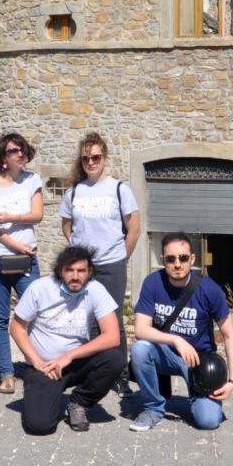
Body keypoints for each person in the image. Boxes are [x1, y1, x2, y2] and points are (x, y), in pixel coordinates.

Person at [129, 232, 233, 432]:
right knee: (140, 350)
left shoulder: (209, 289)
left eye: (183, 258)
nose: (177, 264)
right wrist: (176, 340)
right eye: (171, 259)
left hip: (199, 361)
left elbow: (229, 334)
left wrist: (232, 381)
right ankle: (153, 408)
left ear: (192, 259)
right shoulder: (153, 283)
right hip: (166, 353)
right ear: (162, 260)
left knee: (208, 422)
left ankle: (196, 393)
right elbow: (140, 329)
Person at [10, 246, 126, 435]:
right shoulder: (40, 288)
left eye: (81, 271)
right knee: (40, 426)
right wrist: (37, 361)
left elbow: (112, 336)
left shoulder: (96, 289)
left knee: (115, 358)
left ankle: (79, 402)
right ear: (60, 271)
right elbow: (17, 327)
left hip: (75, 363)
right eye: (69, 270)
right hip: (44, 366)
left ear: (90, 272)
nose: (75, 276)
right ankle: (41, 393)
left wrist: (69, 356)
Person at [59, 132, 139, 372]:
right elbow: (66, 223)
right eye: (86, 159)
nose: (91, 162)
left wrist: (122, 256)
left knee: (114, 320)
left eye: (95, 157)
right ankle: (92, 369)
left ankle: (120, 373)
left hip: (112, 265)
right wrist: (76, 246)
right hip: (85, 269)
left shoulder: (119, 189)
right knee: (87, 318)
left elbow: (133, 229)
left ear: (105, 158)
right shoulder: (74, 191)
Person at [0, 132, 44, 394]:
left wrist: (12, 216)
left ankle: (35, 365)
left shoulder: (32, 180)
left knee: (36, 314)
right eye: (13, 151)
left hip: (26, 260)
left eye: (22, 150)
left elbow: (37, 215)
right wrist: (16, 244)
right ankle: (6, 372)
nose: (20, 154)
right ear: (3, 158)